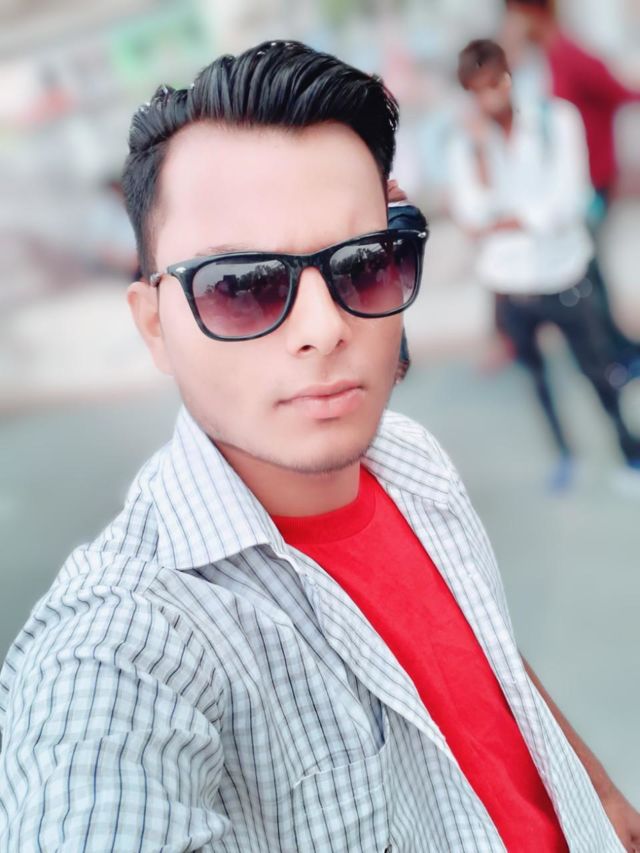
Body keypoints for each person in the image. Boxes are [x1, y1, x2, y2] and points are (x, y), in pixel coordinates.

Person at [0, 41, 638, 852]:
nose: (324, 327)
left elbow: (484, 643)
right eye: (241, 285)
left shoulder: (412, 458)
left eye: (363, 264)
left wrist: (596, 788)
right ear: (154, 324)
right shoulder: (123, 645)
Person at [448, 38, 640, 492]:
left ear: (509, 77)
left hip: (564, 272)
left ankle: (629, 453)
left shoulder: (556, 121)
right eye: (478, 90)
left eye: (495, 83)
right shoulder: (466, 144)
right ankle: (565, 456)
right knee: (535, 378)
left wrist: (508, 221)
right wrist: (482, 155)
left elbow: (570, 201)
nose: (490, 97)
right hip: (508, 282)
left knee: (599, 370)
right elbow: (472, 216)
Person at [502, 0, 640, 374]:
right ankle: (616, 350)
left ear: (535, 13)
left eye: (516, 14)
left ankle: (614, 354)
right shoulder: (541, 57)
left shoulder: (569, 55)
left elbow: (619, 92)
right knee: (589, 271)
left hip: (590, 184)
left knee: (585, 273)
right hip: (568, 187)